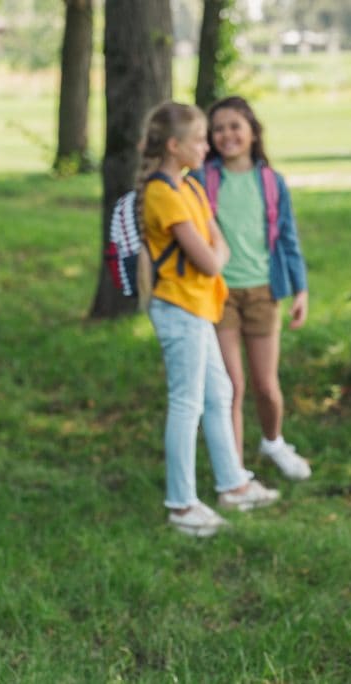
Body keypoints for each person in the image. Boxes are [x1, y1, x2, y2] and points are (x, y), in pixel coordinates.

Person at [139, 101, 278, 537]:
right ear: (175, 145)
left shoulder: (191, 188)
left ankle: (232, 484)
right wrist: (213, 254)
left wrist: (213, 254)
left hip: (200, 308)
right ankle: (181, 506)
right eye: (199, 139)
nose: (207, 146)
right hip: (179, 310)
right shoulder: (162, 193)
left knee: (219, 394)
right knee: (187, 402)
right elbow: (210, 257)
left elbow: (218, 249)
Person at [200, 96, 311, 481]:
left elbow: (288, 240)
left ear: (251, 131)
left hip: (264, 292)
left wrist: (300, 290)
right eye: (218, 128)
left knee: (266, 386)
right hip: (220, 295)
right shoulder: (202, 179)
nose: (227, 134)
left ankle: (273, 441)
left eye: (235, 126)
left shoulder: (271, 181)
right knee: (232, 385)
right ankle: (234, 472)